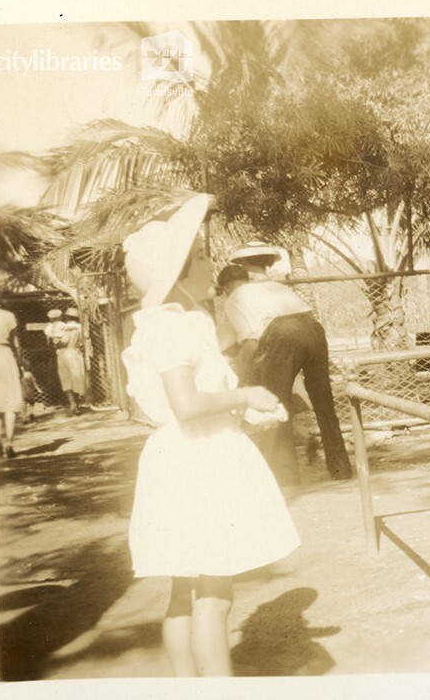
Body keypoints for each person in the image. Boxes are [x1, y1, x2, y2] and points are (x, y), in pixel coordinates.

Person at [121, 193, 300, 676]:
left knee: (185, 591)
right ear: (177, 271)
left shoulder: (169, 323)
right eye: (199, 258)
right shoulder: (172, 329)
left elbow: (194, 399)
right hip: (199, 462)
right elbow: (187, 404)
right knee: (214, 595)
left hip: (182, 456)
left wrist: (241, 410)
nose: (208, 265)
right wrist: (248, 397)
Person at [217, 260, 352, 481]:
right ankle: (341, 469)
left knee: (277, 404)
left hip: (284, 334)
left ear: (225, 288)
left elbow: (251, 344)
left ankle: (285, 478)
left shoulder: (234, 298)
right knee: (324, 402)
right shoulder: (273, 286)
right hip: (314, 330)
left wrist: (243, 380)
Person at [0, 302, 26, 458]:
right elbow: (16, 344)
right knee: (10, 400)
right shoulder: (8, 315)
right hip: (5, 355)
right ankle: (9, 444)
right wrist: (20, 364)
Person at [44, 307, 86, 414]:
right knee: (76, 377)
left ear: (67, 317)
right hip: (76, 353)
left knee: (66, 378)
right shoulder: (80, 328)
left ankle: (72, 404)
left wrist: (55, 341)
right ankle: (77, 403)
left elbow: (63, 342)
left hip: (64, 353)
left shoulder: (65, 328)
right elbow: (81, 342)